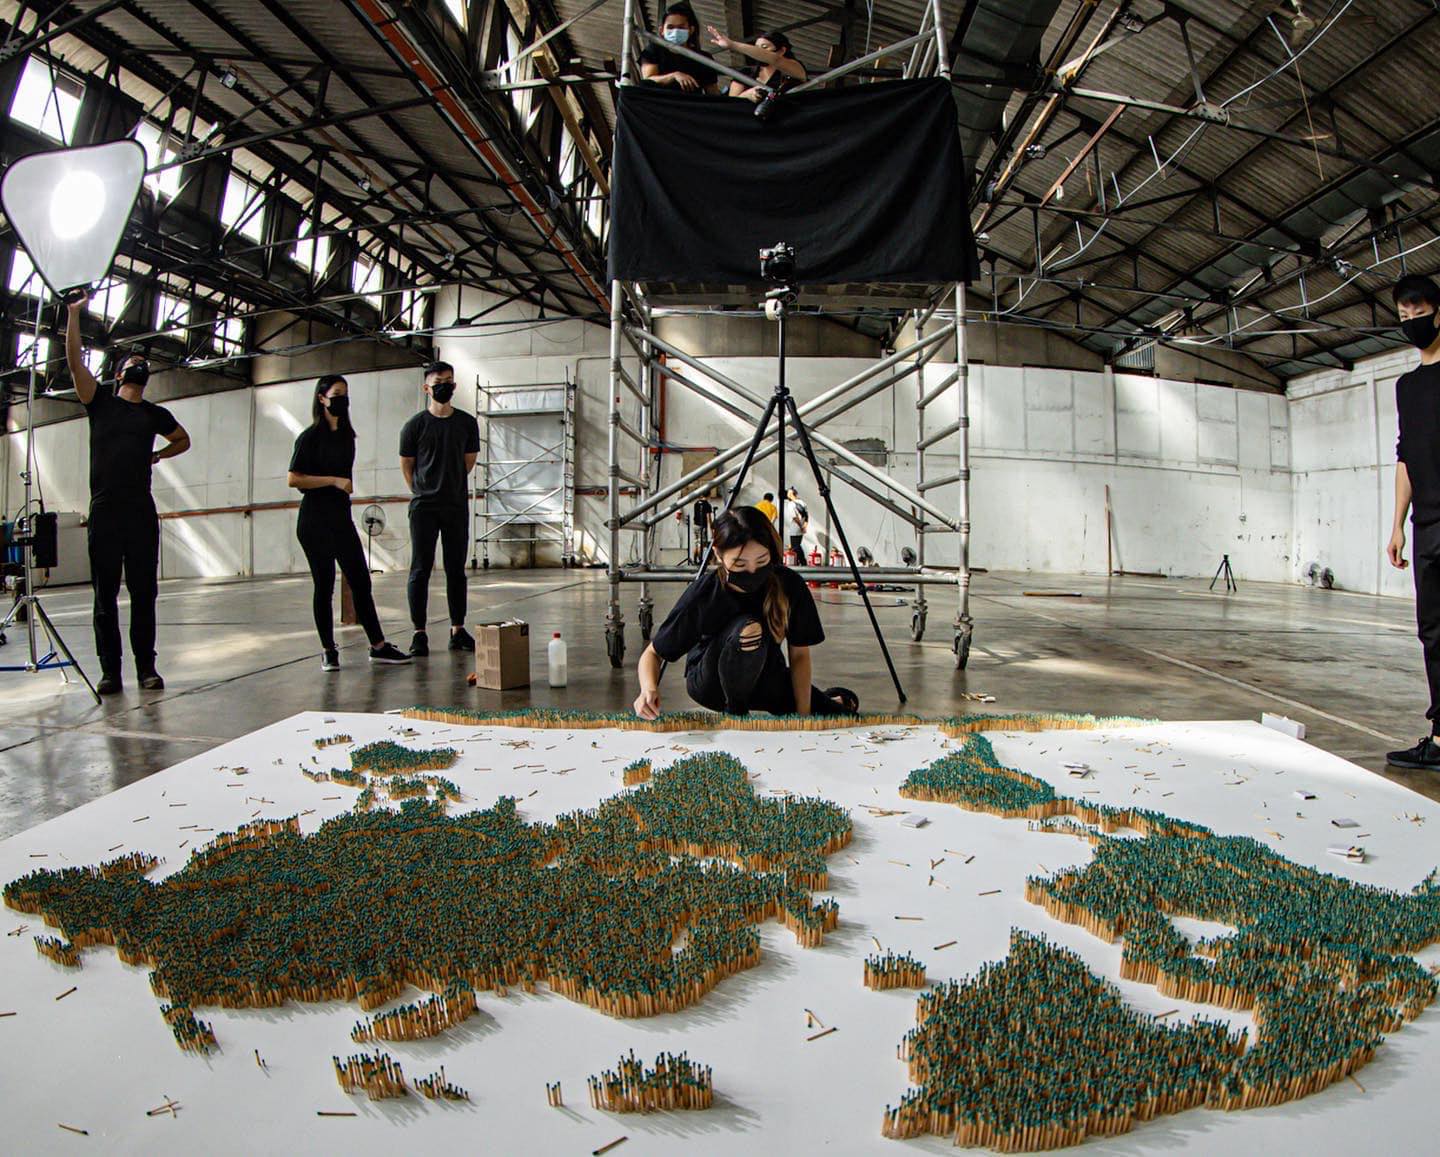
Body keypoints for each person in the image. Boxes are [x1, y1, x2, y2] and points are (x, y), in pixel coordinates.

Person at [65, 296, 190, 695]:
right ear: (119, 374)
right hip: (105, 511)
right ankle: (110, 672)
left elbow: (183, 440)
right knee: (105, 596)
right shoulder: (99, 402)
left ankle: (146, 668)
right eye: (132, 361)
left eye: (143, 362)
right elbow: (75, 363)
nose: (139, 364)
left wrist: (159, 454)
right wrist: (73, 315)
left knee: (144, 593)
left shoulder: (154, 414)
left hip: (140, 511)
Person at [634, 505, 857, 720]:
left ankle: (832, 700)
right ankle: (736, 712)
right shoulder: (705, 593)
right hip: (712, 685)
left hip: (764, 678)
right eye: (740, 565)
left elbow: (799, 655)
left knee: (845, 711)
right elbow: (653, 654)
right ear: (718, 555)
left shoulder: (789, 585)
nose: (752, 571)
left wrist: (804, 715)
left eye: (761, 561)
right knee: (748, 628)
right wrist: (647, 689)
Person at [287, 375, 409, 670]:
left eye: (345, 394)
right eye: (337, 394)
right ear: (322, 399)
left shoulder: (346, 437)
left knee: (361, 582)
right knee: (324, 585)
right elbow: (294, 479)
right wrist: (333, 481)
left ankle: (378, 646)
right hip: (314, 521)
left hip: (340, 519)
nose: (343, 399)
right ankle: (328, 650)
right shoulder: (309, 437)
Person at [1386, 273, 1440, 771]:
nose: (1411, 323)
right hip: (1426, 524)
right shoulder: (1406, 387)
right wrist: (1398, 524)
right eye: (1404, 317)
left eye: (1418, 314)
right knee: (1434, 631)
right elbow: (1405, 456)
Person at [399, 361, 479, 657]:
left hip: (455, 505)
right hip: (424, 507)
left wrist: (450, 485)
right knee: (420, 569)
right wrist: (423, 489)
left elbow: (468, 461)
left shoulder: (467, 423)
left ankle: (458, 630)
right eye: (438, 382)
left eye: (449, 381)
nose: (445, 386)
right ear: (426, 388)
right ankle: (419, 633)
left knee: (456, 569)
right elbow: (407, 466)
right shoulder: (414, 426)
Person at [706, 27, 806, 103]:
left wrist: (732, 45)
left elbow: (776, 59)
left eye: (764, 47)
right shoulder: (745, 73)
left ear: (781, 51)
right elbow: (731, 105)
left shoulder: (794, 69)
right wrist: (746, 95)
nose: (758, 52)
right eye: (756, 48)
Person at [640, 3, 720, 94]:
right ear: (661, 30)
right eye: (670, 27)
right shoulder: (653, 51)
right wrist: (674, 76)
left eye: (681, 27)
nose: (675, 31)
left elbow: (712, 93)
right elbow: (648, 80)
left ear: (691, 30)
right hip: (660, 101)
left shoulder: (703, 59)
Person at [780, 485, 808, 559]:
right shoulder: (803, 502)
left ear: (790, 494)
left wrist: (801, 526)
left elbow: (795, 517)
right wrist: (804, 526)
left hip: (795, 527)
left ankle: (802, 561)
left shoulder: (791, 504)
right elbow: (806, 516)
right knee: (797, 545)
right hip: (801, 526)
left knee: (795, 546)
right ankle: (799, 561)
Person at [692, 492, 714, 563]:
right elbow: (709, 518)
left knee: (696, 543)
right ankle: (700, 561)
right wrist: (711, 530)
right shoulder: (707, 505)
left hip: (695, 525)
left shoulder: (696, 503)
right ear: (709, 495)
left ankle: (694, 560)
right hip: (702, 526)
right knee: (701, 545)